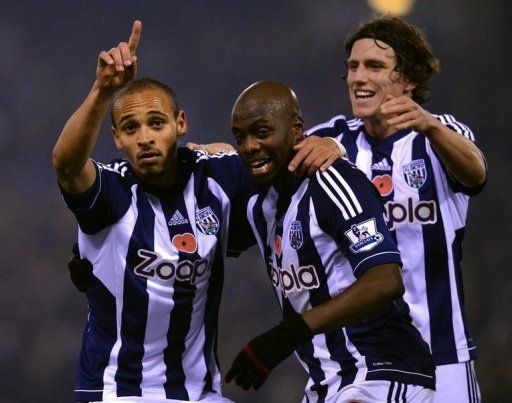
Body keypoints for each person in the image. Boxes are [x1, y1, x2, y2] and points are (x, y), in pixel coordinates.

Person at [53, 22, 341, 402]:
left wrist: (330, 146)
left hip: (197, 392)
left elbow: (277, 154)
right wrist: (103, 91)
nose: (144, 138)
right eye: (131, 127)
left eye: (156, 123)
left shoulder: (216, 176)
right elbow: (68, 165)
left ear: (180, 124)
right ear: (117, 138)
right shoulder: (111, 193)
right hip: (116, 391)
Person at [305, 16, 486, 402]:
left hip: (444, 356)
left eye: (374, 66)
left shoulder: (439, 137)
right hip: (370, 364)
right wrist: (218, 153)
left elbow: (476, 174)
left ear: (408, 80)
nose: (358, 77)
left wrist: (430, 126)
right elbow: (260, 154)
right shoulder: (330, 140)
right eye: (353, 67)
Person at [225, 80, 436, 402]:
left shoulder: (332, 181)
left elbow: (385, 280)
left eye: (262, 132)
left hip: (381, 373)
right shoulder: (260, 205)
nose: (250, 146)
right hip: (327, 384)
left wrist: (286, 334)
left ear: (297, 129)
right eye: (240, 137)